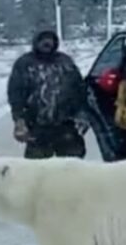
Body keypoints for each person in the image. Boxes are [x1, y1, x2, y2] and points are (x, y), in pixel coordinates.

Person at [7, 29, 88, 159]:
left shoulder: (65, 62)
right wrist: (19, 121)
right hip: (37, 126)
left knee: (73, 167)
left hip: (66, 125)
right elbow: (15, 94)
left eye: (50, 39)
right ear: (36, 42)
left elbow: (80, 90)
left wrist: (82, 115)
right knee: (37, 169)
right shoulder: (24, 64)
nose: (47, 42)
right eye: (43, 39)